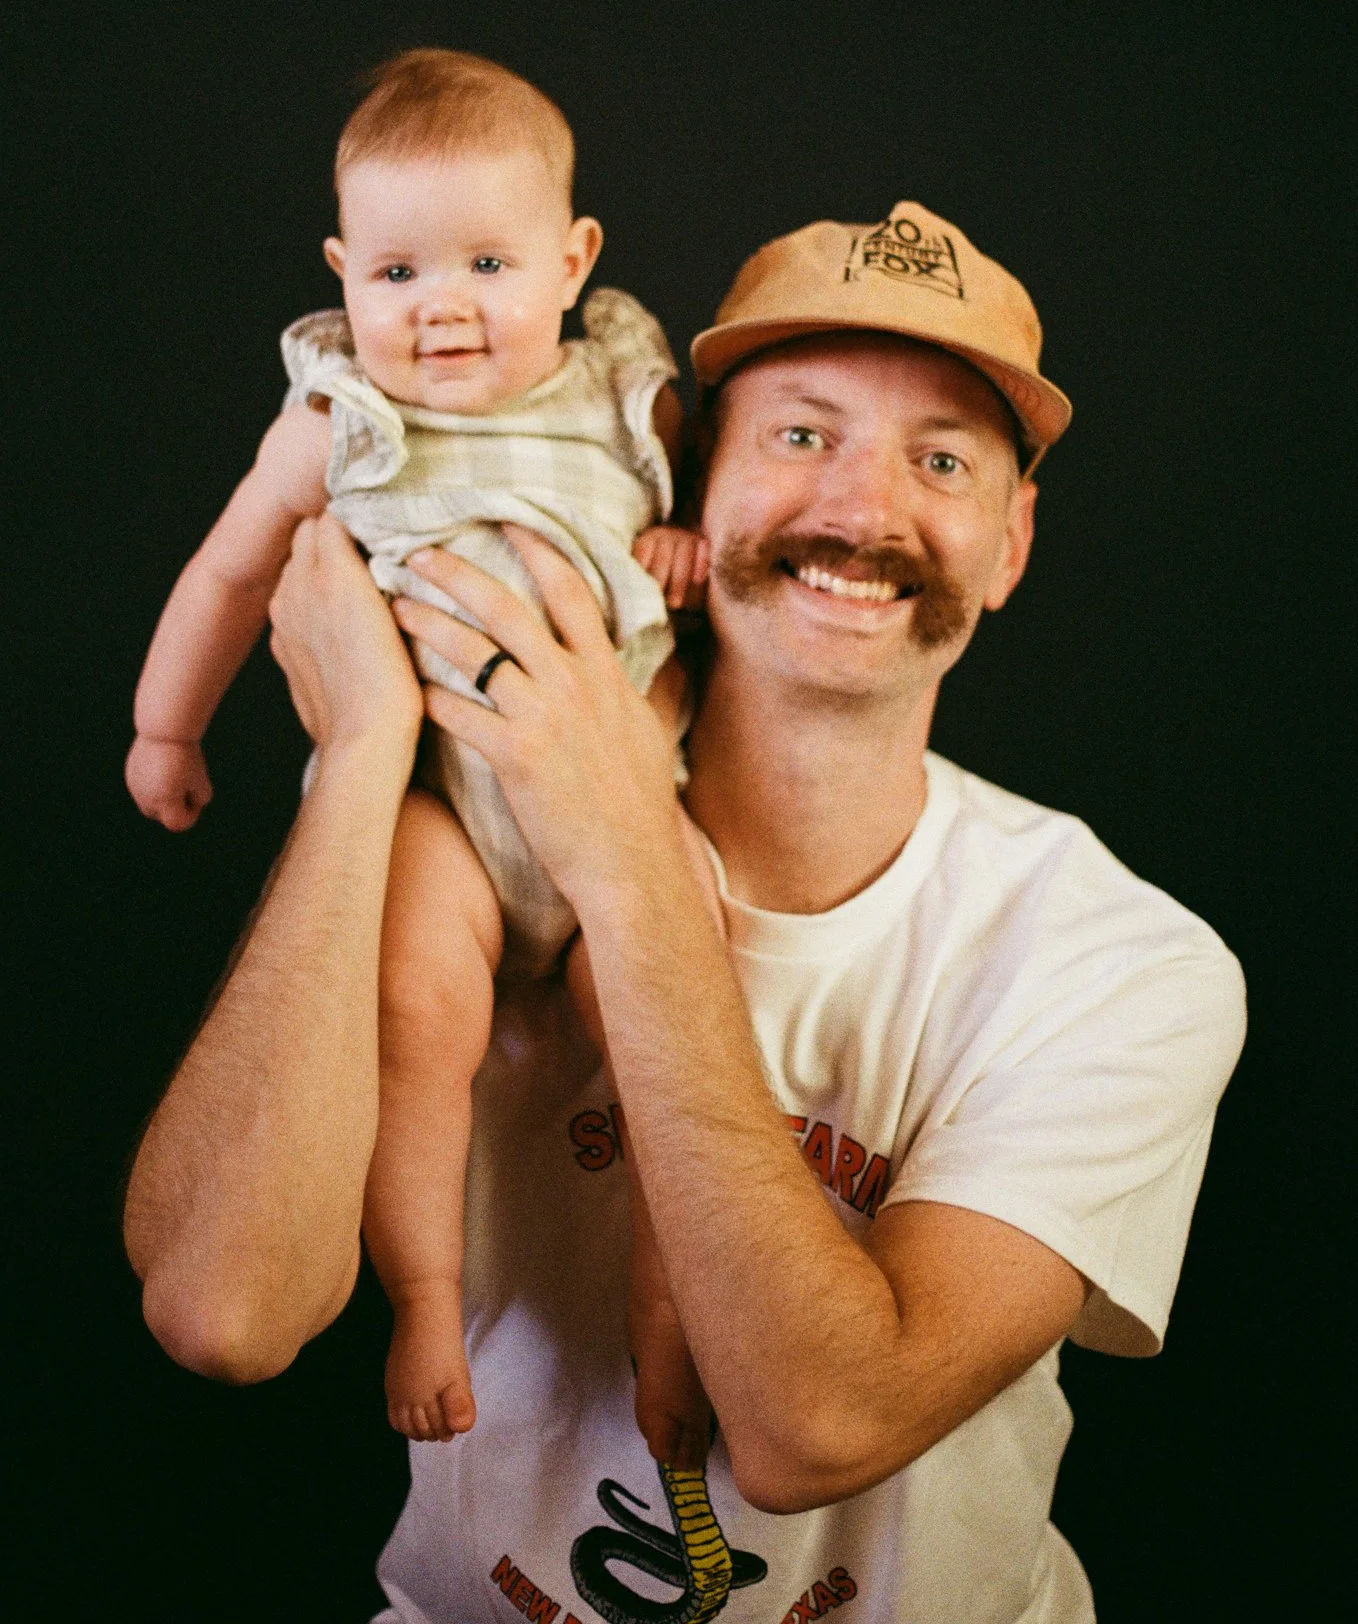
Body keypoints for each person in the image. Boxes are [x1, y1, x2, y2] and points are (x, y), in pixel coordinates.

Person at [125, 199, 1247, 1624]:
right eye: (801, 434)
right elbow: (222, 1315)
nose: (861, 509)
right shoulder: (472, 862)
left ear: (1009, 543)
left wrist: (627, 861)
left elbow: (816, 1430)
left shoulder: (1118, 965)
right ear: (690, 482)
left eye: (941, 459)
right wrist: (361, 757)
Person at [123, 48, 711, 1453]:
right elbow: (227, 574)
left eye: (487, 265)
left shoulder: (625, 397)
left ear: (573, 262)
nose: (441, 305)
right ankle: (429, 1301)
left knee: (681, 1043)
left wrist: (681, 545)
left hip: (620, 806)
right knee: (414, 1023)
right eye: (395, 274)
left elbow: (699, 544)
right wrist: (165, 724)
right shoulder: (339, 425)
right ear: (342, 276)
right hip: (440, 804)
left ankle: (669, 1317)